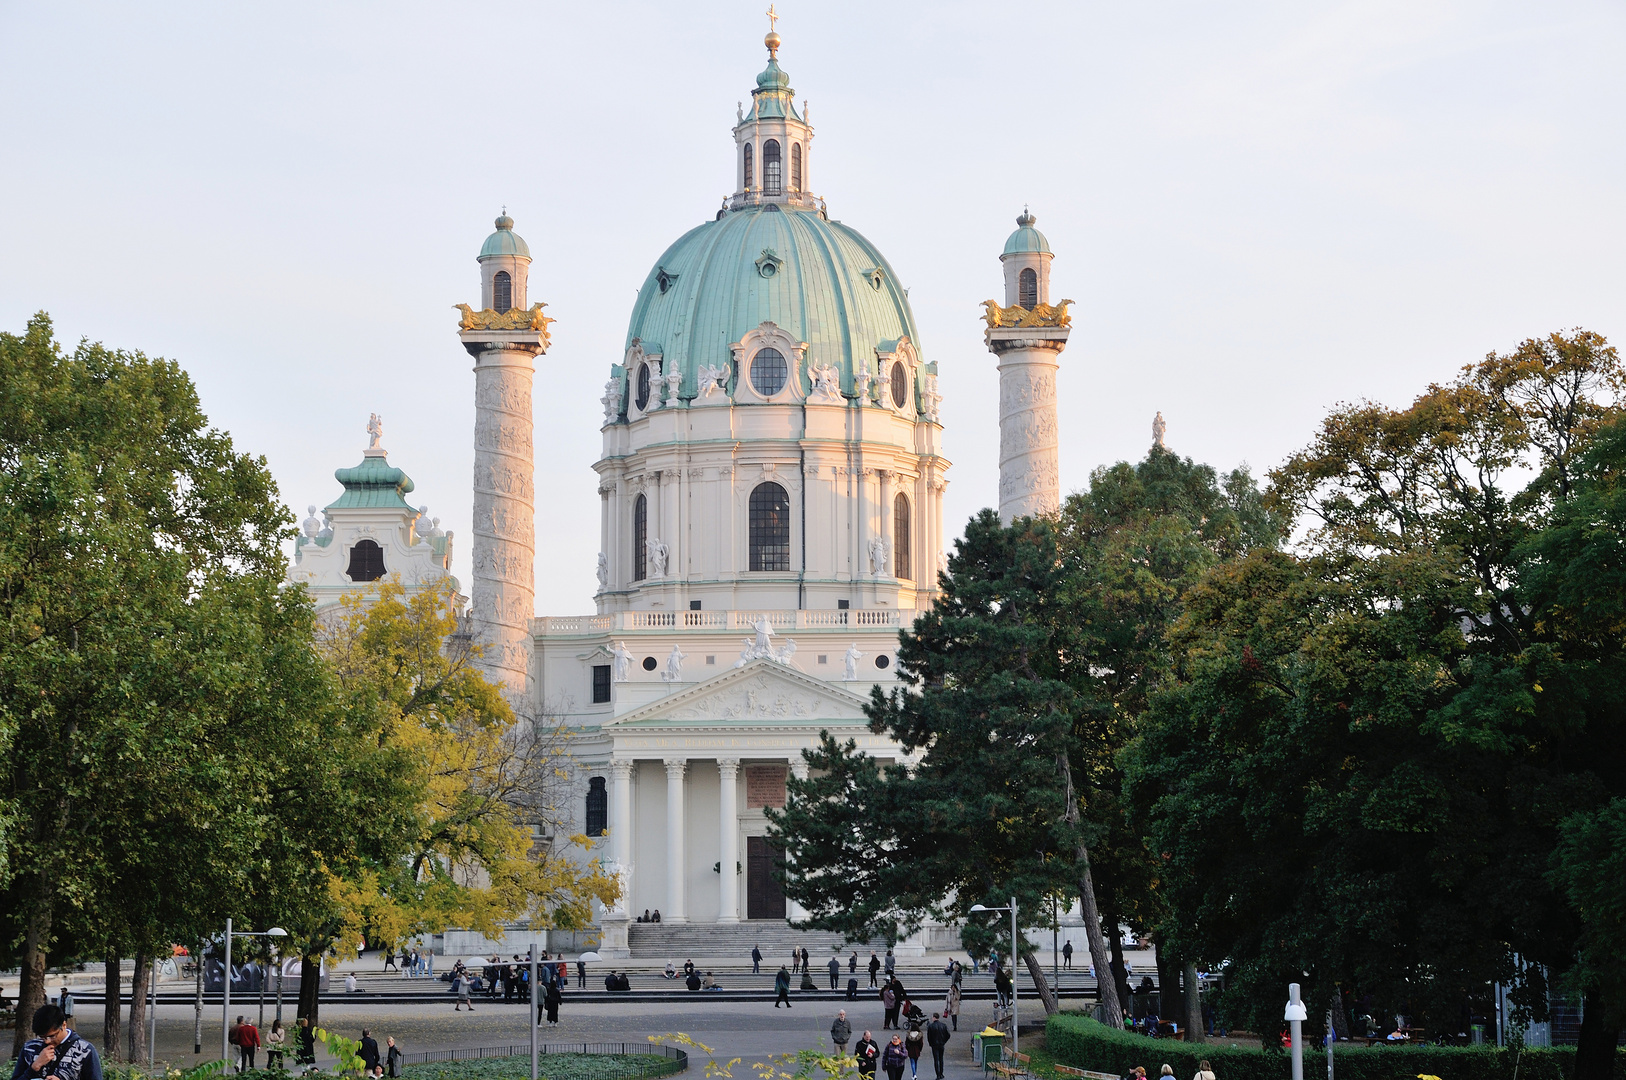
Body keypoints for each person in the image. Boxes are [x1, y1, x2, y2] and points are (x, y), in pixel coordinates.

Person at [13, 1004, 102, 1080]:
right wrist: (34, 1067)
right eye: (42, 1037)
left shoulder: (85, 1050)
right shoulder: (29, 1048)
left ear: (63, 1025)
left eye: (52, 1036)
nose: (47, 1041)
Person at [925, 1012, 950, 1080]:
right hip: (941, 1044)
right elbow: (948, 1035)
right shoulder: (943, 1025)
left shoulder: (931, 1026)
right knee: (941, 1058)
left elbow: (929, 1037)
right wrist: (944, 1041)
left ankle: (938, 1074)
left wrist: (931, 1043)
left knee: (936, 1060)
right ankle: (941, 1073)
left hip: (934, 1045)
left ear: (933, 1017)